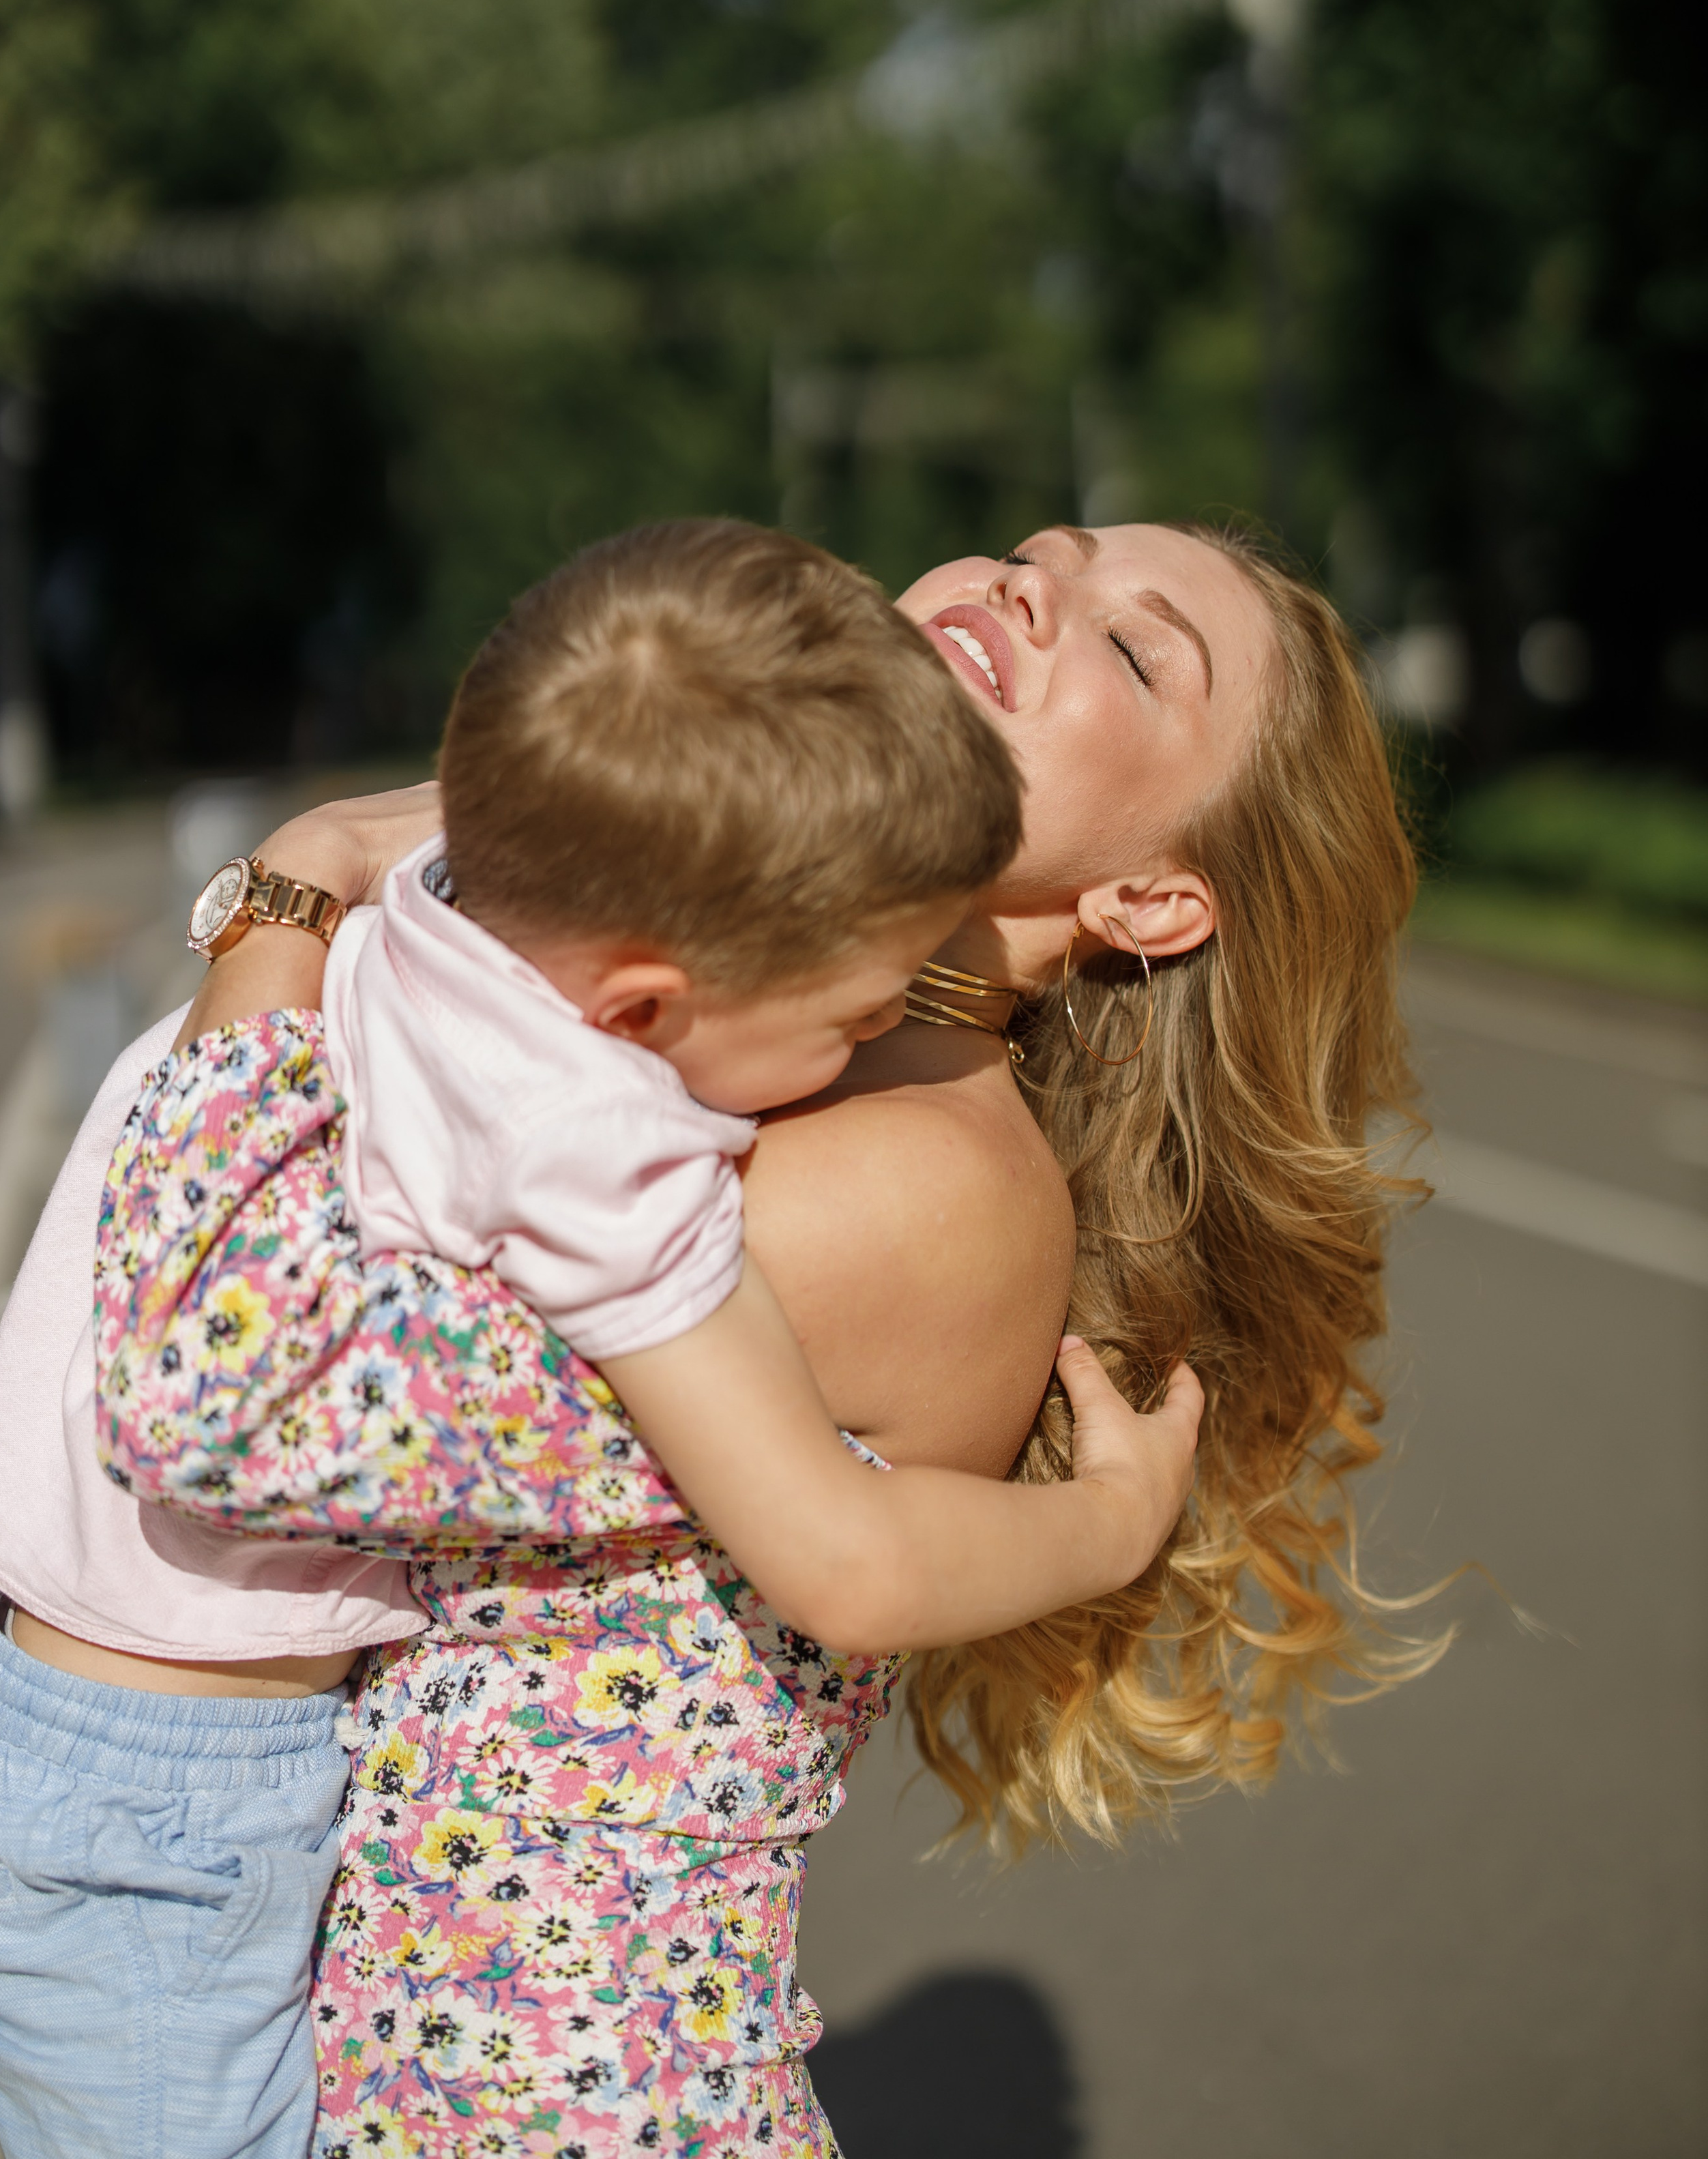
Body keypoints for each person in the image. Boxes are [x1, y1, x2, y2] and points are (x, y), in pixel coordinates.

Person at [88, 518, 1434, 2153]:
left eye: (1135, 651)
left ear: (1149, 898)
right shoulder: (769, 1052)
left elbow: (230, 1383)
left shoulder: (912, 1188)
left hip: (544, 2107)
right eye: (1037, 553)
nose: (1029, 591)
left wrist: (288, 892)